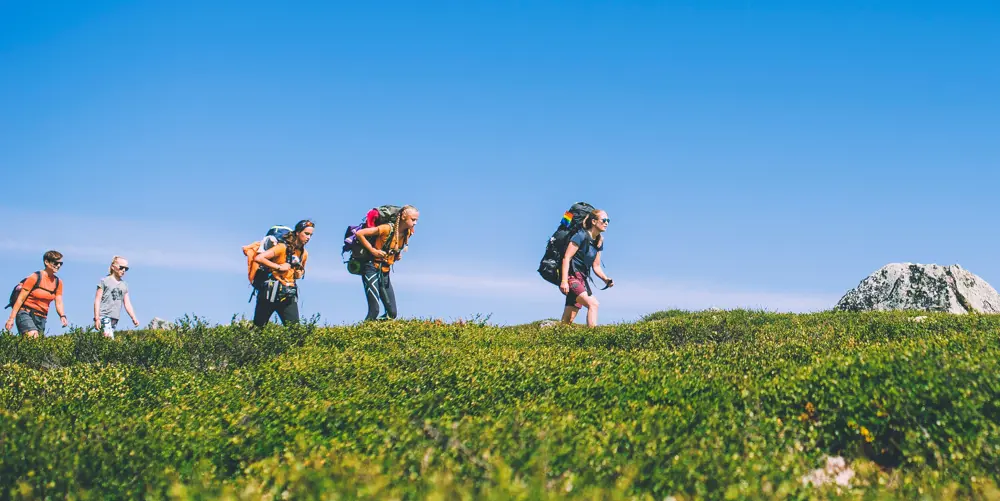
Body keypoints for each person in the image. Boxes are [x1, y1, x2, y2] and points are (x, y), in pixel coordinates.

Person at [354, 205, 418, 321]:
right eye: (413, 219)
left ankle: (377, 334)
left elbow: (395, 247)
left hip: (385, 272)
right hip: (371, 268)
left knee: (392, 313)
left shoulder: (408, 233)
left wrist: (397, 254)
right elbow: (359, 234)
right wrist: (373, 250)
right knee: (374, 310)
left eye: (416, 220)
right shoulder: (386, 228)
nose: (415, 223)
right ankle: (364, 332)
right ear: (404, 217)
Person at [252, 219, 314, 327]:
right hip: (270, 292)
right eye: (306, 233)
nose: (308, 237)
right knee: (258, 328)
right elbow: (259, 258)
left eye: (311, 235)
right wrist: (279, 267)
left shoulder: (304, 254)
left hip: (288, 293)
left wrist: (298, 273)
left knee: (295, 331)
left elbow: (299, 272)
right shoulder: (282, 247)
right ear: (298, 232)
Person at [560, 209, 614, 327]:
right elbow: (566, 258)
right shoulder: (580, 236)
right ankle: (593, 338)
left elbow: (596, 266)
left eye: (608, 220)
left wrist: (605, 279)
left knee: (567, 321)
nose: (606, 223)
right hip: (572, 278)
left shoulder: (598, 242)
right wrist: (564, 281)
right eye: (604, 220)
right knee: (593, 304)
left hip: (582, 280)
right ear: (594, 221)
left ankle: (554, 341)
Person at [5, 250, 68, 337]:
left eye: (61, 264)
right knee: (33, 337)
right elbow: (20, 299)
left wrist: (62, 316)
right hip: (25, 313)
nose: (58, 266)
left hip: (41, 317)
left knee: (36, 347)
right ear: (46, 262)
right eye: (55, 263)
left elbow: (59, 301)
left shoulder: (58, 282)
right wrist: (11, 319)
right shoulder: (35, 277)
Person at [93, 256, 139, 338]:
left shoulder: (124, 285)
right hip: (104, 315)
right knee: (109, 339)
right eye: (121, 267)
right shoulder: (105, 281)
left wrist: (133, 317)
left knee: (106, 341)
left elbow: (127, 303)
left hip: (115, 318)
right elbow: (97, 300)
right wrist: (97, 318)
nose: (123, 270)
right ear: (113, 267)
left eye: (126, 268)